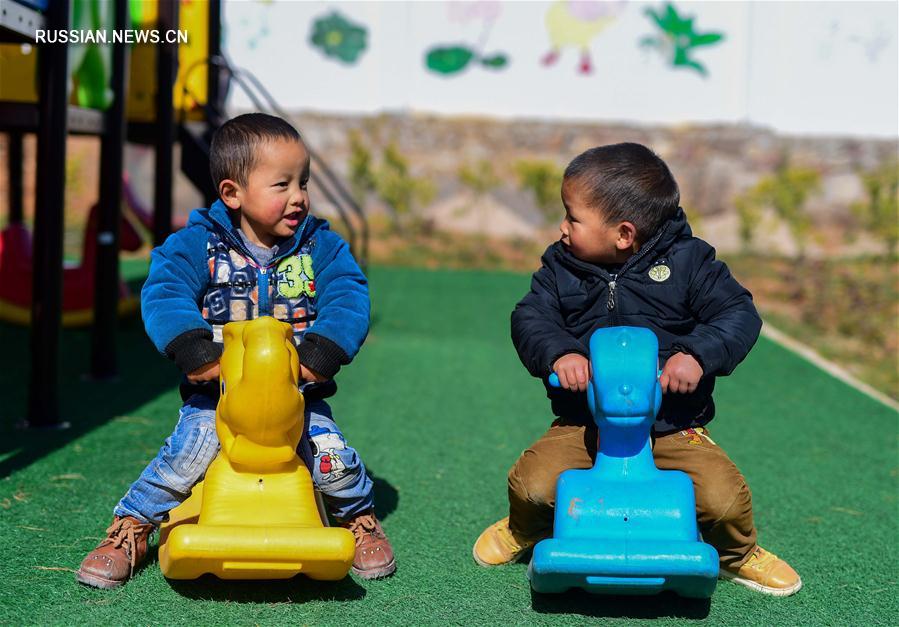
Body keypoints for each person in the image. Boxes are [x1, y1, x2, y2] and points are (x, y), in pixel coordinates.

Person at [76, 113, 395, 588]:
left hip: (297, 397)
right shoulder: (198, 245)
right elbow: (164, 291)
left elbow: (348, 294)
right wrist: (194, 350)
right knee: (186, 456)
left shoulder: (320, 248)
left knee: (333, 458)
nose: (299, 197)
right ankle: (132, 527)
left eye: (303, 182)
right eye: (282, 184)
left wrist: (322, 352)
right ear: (232, 193)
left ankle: (357, 517)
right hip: (218, 399)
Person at [472, 143, 801, 596]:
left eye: (572, 217)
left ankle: (737, 555)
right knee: (533, 487)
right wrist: (561, 354)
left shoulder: (690, 263)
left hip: (671, 423)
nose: (562, 228)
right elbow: (531, 317)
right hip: (585, 421)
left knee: (722, 501)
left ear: (624, 234)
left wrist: (697, 355)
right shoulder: (561, 267)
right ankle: (524, 529)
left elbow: (738, 314)